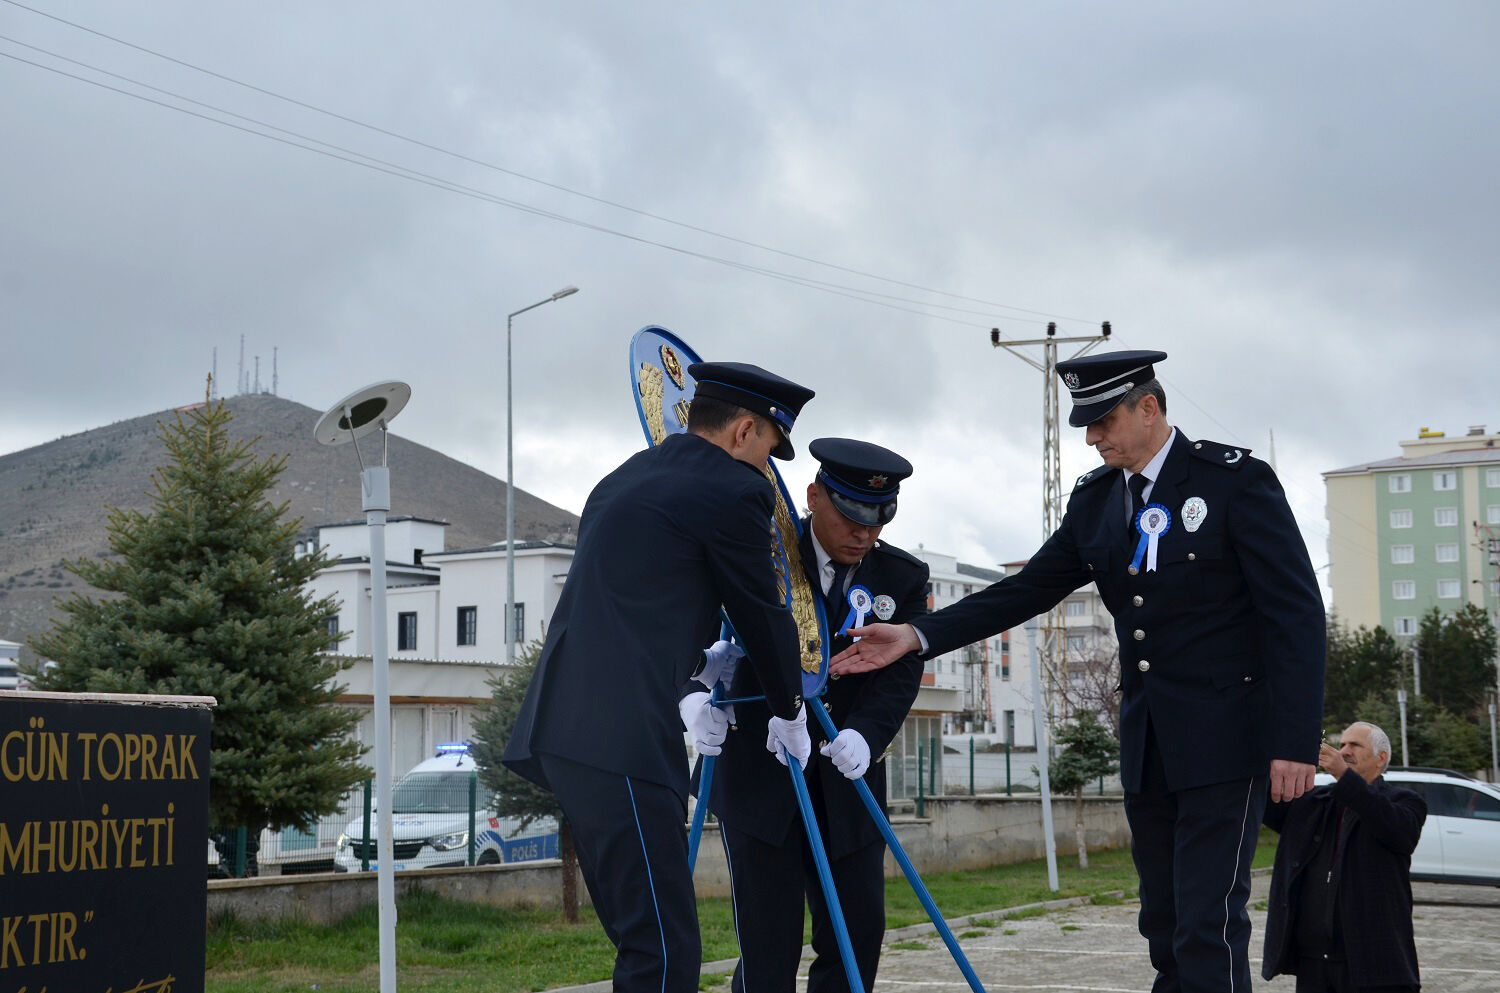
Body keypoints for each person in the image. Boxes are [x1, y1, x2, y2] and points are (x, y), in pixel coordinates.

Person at [828, 349, 1326, 993]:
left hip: (1228, 742)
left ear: (1149, 409)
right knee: (1164, 922)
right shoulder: (1097, 501)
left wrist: (1294, 741)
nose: (1091, 437)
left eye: (1103, 421)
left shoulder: (1234, 482)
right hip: (1149, 744)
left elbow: (1295, 614)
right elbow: (1026, 590)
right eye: (1086, 424)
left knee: (1207, 924)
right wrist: (916, 635)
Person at [503, 360, 817, 993]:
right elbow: (762, 610)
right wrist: (790, 707)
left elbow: (631, 602)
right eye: (769, 449)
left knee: (645, 940)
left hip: (566, 730)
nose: (768, 469)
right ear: (743, 431)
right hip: (621, 740)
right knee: (665, 953)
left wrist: (699, 664)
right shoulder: (735, 490)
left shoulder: (624, 477)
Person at [686, 438, 929, 993]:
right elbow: (686, 627)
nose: (864, 534)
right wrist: (691, 697)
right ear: (814, 496)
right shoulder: (756, 550)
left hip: (847, 780)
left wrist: (866, 735)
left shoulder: (901, 577)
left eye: (878, 520)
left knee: (856, 939)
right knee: (768, 948)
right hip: (760, 774)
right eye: (850, 518)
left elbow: (901, 671)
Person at [1262, 722, 1426, 992]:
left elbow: (1395, 828)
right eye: (1341, 745)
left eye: (1355, 745)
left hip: (1373, 963)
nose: (1344, 751)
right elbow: (1269, 799)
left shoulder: (1405, 801)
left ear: (1381, 758)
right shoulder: (1317, 802)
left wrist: (1344, 775)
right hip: (1314, 961)